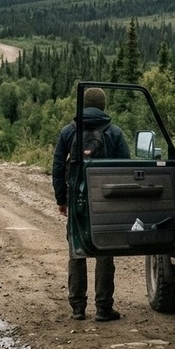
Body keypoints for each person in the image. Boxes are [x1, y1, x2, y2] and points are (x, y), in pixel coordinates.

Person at [52, 87, 130, 321]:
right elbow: (125, 169)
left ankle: (78, 308)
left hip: (77, 198)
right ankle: (104, 308)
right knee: (104, 252)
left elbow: (58, 168)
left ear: (84, 104)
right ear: (103, 105)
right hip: (105, 201)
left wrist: (62, 199)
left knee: (77, 251)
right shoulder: (114, 132)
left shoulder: (68, 131)